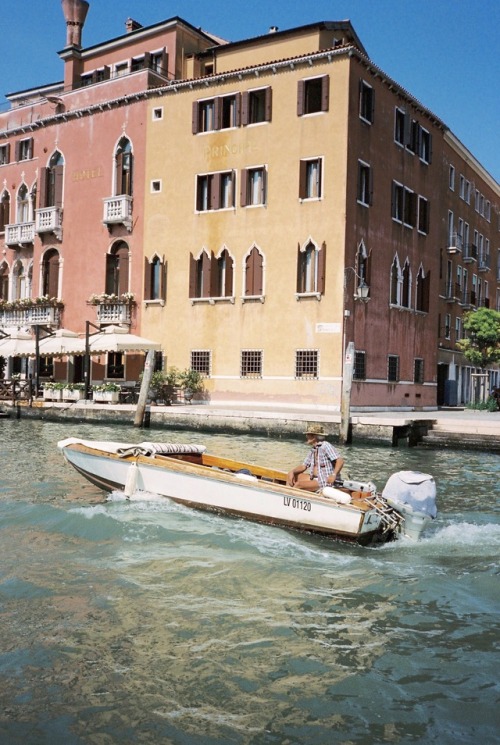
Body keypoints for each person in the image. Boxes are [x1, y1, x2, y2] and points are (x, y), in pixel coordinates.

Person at [287, 424, 344, 492]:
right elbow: (303, 466)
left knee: (299, 485)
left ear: (314, 437)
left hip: (325, 480)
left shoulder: (325, 446)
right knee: (290, 476)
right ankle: (286, 496)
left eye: (308, 434)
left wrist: (333, 475)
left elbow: (340, 461)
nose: (306, 436)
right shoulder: (313, 450)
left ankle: (289, 495)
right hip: (315, 478)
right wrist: (292, 472)